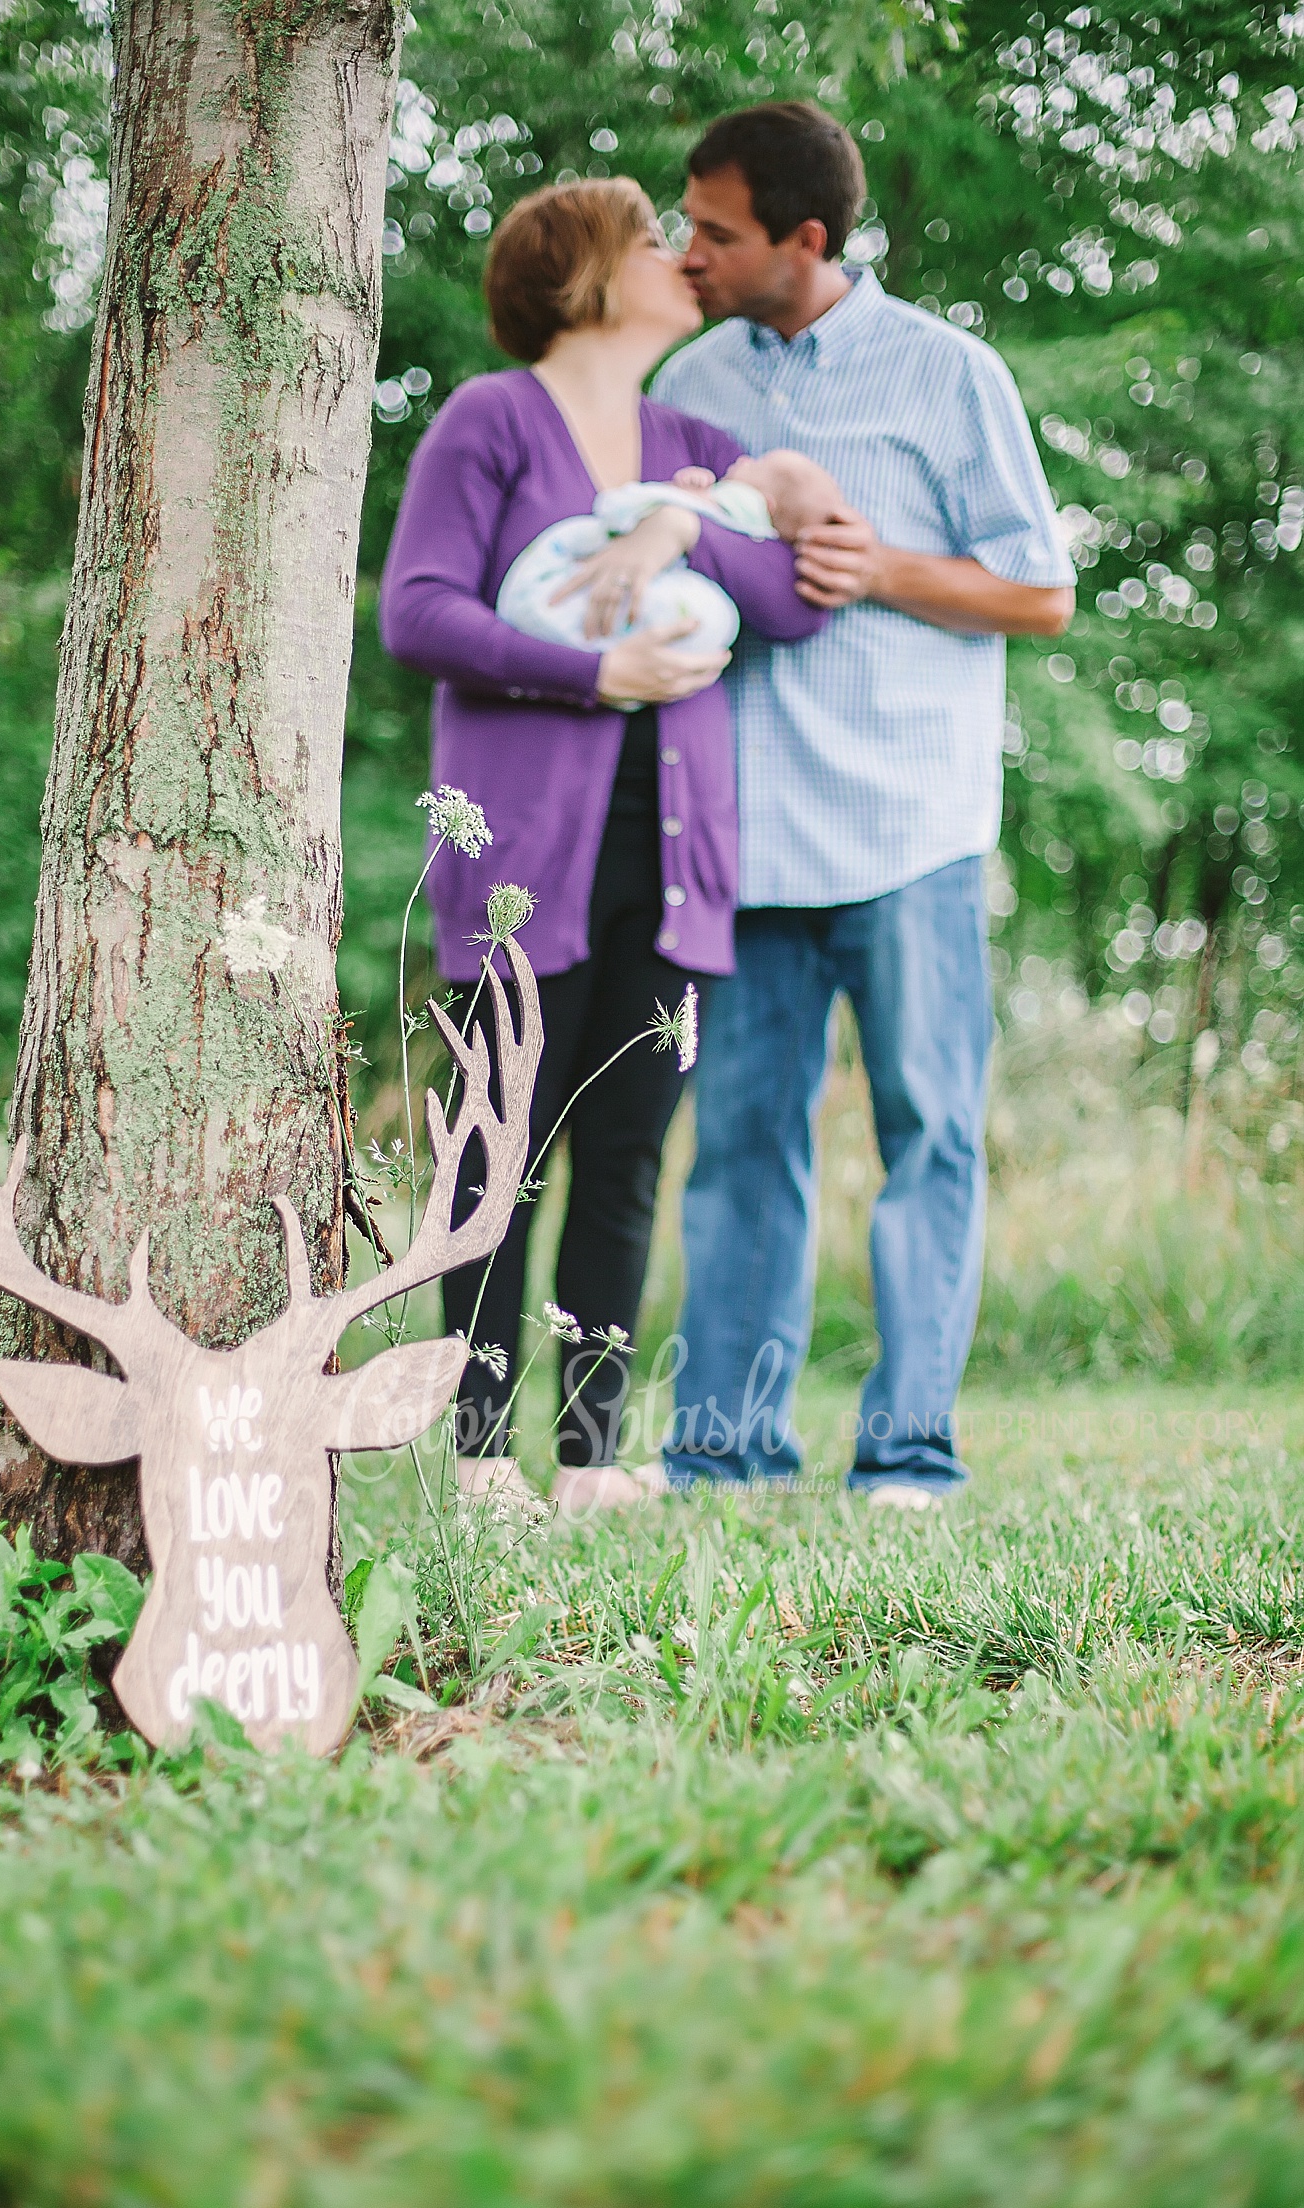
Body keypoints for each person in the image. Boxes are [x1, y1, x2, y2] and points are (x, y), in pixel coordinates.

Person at [378, 176, 827, 1516]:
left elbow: (793, 603)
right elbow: (418, 612)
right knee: (495, 1157)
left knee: (626, 1152)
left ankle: (587, 1458)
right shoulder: (489, 420)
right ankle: (472, 1458)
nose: (679, 257)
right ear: (580, 275)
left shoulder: (691, 435)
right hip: (522, 856)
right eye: (650, 240)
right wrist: (592, 674)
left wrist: (682, 516)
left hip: (678, 863)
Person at [651, 102, 1075, 1504]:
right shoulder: (690, 378)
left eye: (713, 230)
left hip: (913, 834)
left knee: (929, 1139)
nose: (686, 250)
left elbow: (1041, 592)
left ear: (805, 239)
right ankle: (726, 1451)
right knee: (740, 1154)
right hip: (747, 838)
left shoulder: (948, 374)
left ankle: (907, 1454)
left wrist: (876, 565)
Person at [496, 447, 848, 659]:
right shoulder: (753, 540)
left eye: (755, 465)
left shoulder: (738, 510)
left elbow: (632, 506)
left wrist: (679, 508)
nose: (741, 459)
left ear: (764, 502)